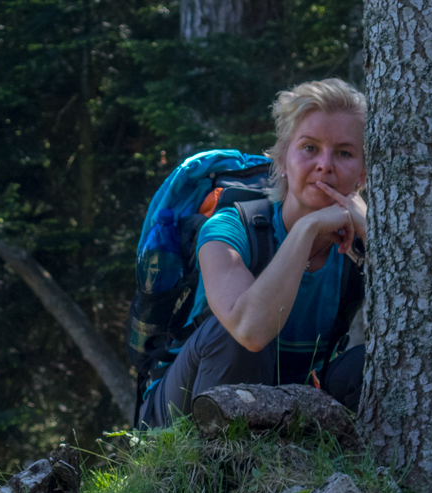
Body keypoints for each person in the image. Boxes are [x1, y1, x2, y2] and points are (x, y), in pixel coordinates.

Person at [139, 78, 368, 428]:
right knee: (234, 336)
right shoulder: (228, 228)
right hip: (181, 413)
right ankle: (217, 476)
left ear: (363, 175)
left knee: (370, 364)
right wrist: (307, 230)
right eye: (309, 148)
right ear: (281, 160)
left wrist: (375, 234)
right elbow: (250, 331)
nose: (325, 165)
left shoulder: (364, 244)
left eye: (344, 153)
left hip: (284, 404)